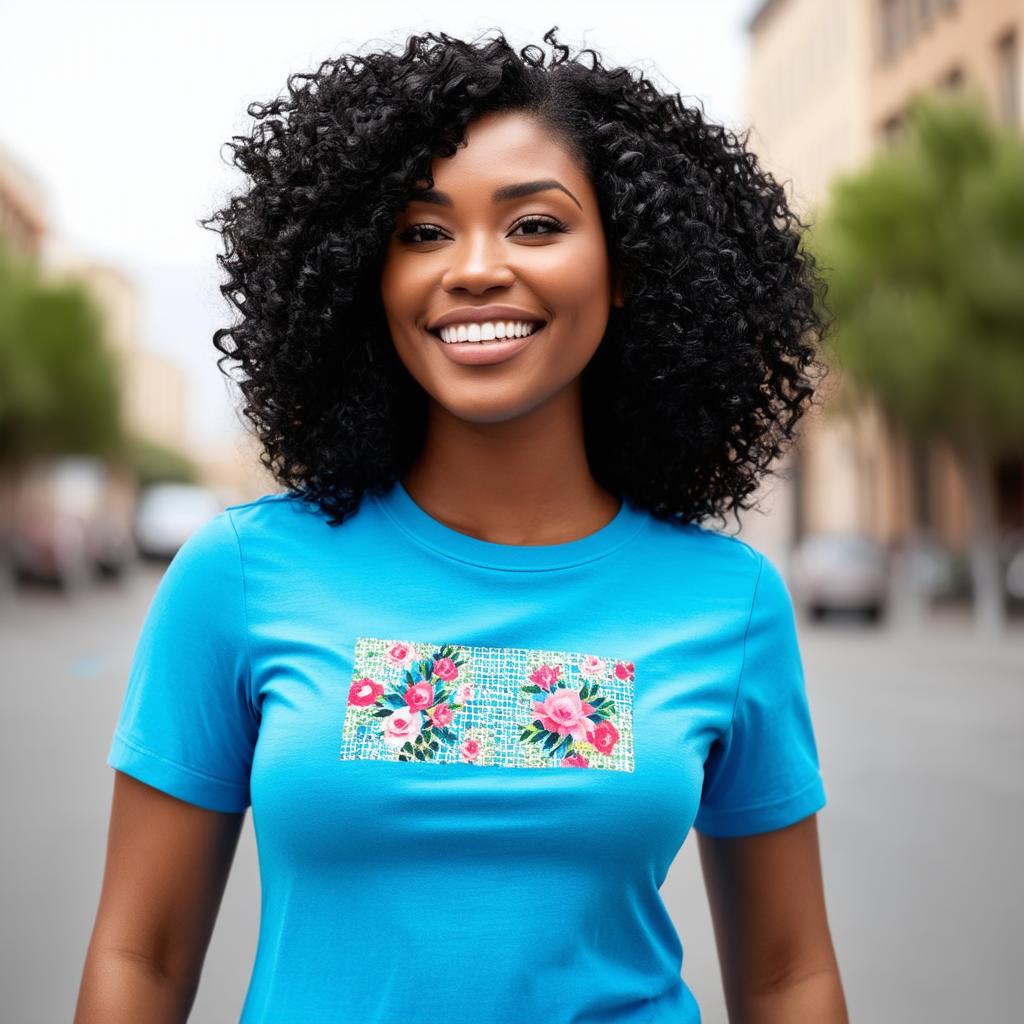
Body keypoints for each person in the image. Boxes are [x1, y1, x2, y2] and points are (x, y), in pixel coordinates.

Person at [75, 26, 848, 1024]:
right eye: (424, 232)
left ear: (626, 267)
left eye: (534, 225)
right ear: (368, 276)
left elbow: (789, 972)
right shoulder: (239, 574)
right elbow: (142, 952)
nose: (475, 268)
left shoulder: (727, 601)